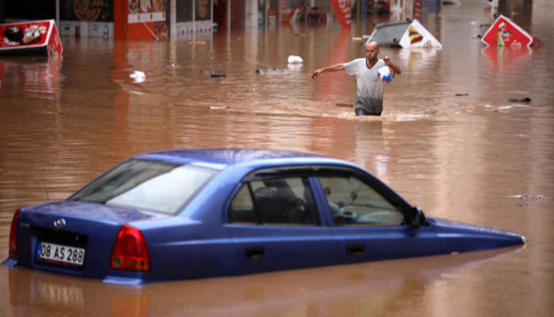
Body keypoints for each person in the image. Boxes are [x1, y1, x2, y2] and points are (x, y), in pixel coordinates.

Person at [312, 41, 401, 116]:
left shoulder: (383, 65)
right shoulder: (359, 63)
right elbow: (341, 66)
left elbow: (398, 72)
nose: (369, 54)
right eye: (367, 51)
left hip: (377, 108)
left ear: (378, 51)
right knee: (362, 126)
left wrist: (390, 64)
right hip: (361, 106)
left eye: (372, 51)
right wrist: (322, 70)